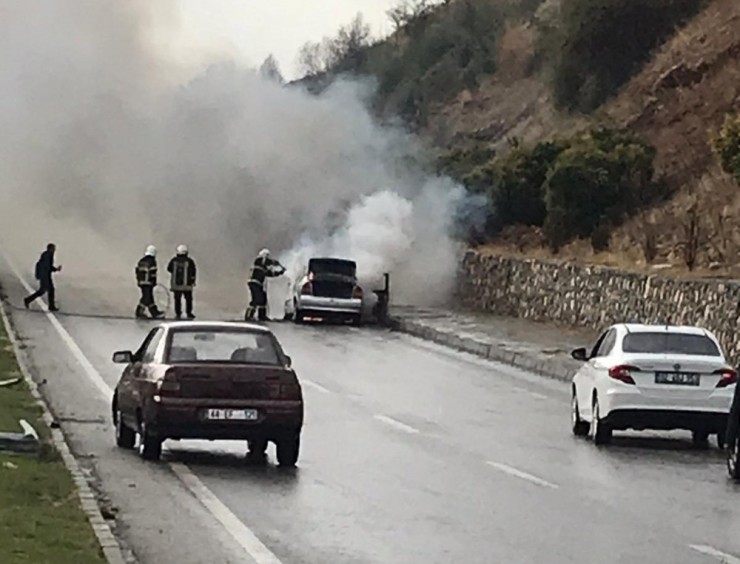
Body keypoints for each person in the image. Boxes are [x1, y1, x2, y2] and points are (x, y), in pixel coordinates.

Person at [245, 248, 285, 321]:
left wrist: (280, 272)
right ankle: (248, 316)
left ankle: (262, 316)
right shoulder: (258, 260)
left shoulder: (263, 266)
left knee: (263, 299)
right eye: (266, 255)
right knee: (256, 299)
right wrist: (276, 263)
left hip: (258, 284)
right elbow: (267, 262)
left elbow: (270, 274)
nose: (267, 257)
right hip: (254, 283)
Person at [24, 243, 62, 311]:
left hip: (45, 275)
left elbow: (47, 266)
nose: (54, 250)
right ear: (50, 249)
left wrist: (55, 269)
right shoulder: (48, 255)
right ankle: (28, 300)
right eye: (53, 248)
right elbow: (47, 266)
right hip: (45, 276)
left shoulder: (47, 254)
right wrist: (55, 269)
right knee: (44, 290)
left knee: (48, 290)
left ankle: (51, 306)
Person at [167, 244, 197, 320]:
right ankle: (189, 313)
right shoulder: (190, 261)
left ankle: (178, 313)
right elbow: (193, 271)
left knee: (177, 299)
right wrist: (193, 281)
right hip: (187, 285)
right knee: (188, 299)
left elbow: (169, 269)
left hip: (176, 285)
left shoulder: (173, 260)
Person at [135, 245, 165, 319]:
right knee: (147, 297)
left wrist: (139, 281)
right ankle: (139, 312)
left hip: (142, 282)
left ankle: (154, 312)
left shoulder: (141, 261)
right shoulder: (152, 261)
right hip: (148, 283)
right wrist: (154, 282)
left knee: (149, 297)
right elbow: (152, 273)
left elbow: (137, 271)